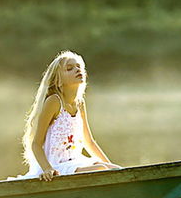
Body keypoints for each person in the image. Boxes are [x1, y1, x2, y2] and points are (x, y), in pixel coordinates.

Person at [16, 51, 121, 181]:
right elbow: (36, 144)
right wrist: (47, 169)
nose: (77, 70)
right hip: (56, 166)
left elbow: (89, 142)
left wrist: (114, 171)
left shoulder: (79, 103)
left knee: (115, 168)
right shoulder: (54, 101)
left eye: (79, 67)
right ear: (58, 80)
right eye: (69, 68)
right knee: (100, 169)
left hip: (75, 162)